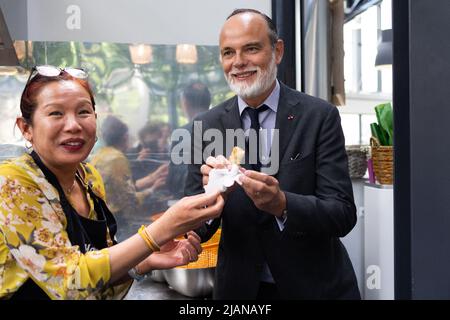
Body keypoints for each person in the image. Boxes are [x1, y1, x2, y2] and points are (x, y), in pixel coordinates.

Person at [0, 65, 224, 300]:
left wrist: (143, 262)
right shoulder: (12, 182)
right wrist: (159, 232)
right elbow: (69, 285)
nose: (74, 125)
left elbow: (98, 282)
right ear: (26, 128)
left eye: (83, 112)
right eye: (56, 113)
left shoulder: (88, 179)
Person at [184, 9, 360, 299]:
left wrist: (282, 204)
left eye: (251, 49)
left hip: (314, 287)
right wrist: (207, 204)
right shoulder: (206, 125)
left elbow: (342, 214)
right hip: (240, 291)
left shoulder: (319, 117)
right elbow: (198, 220)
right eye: (228, 53)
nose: (238, 62)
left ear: (277, 51)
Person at [89, 115, 167, 238]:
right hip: (117, 222)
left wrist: (153, 177)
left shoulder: (98, 155)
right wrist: (151, 190)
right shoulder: (117, 158)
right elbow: (130, 200)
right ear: (125, 137)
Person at [167, 82, 211, 199]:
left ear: (185, 103)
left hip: (193, 201)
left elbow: (175, 182)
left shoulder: (182, 134)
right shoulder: (225, 127)